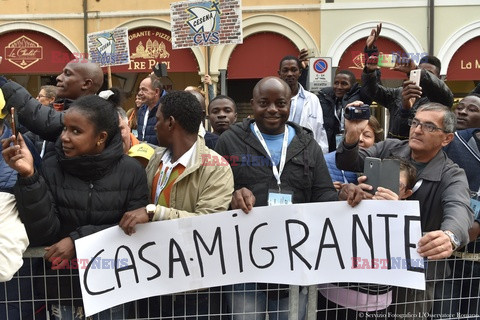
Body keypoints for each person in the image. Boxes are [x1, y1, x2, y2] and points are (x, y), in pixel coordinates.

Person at [215, 76, 363, 320]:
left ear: (289, 105)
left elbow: (321, 193)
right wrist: (232, 196)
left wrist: (340, 195)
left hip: (294, 259)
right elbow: (215, 195)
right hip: (244, 262)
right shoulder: (229, 141)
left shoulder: (308, 144)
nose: (273, 109)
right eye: (264, 103)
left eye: (280, 103)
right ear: (253, 104)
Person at [1, 92, 149, 319]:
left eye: (76, 131)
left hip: (112, 288)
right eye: (64, 129)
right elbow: (43, 234)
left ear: (101, 137)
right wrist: (29, 176)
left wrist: (77, 241)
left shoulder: (131, 172)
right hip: (61, 290)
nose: (64, 138)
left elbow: (133, 229)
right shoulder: (50, 167)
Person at [336, 101, 474, 319]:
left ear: (447, 138)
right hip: (372, 264)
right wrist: (352, 135)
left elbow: (459, 208)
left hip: (417, 272)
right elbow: (348, 161)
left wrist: (449, 236)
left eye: (429, 126)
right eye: (416, 122)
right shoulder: (388, 148)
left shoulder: (452, 174)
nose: (417, 130)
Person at [119, 90, 234, 319]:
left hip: (194, 288)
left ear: (171, 123)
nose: (154, 126)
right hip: (151, 280)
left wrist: (154, 213)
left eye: (158, 120)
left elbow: (208, 223)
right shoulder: (153, 158)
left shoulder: (216, 167)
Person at [318, 159, 416, 319]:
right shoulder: (351, 203)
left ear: (406, 194)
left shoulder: (407, 221)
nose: (383, 189)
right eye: (380, 181)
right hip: (329, 300)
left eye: (396, 185)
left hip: (375, 306)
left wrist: (396, 213)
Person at [361, 23, 454, 140]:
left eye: (428, 73)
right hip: (393, 151)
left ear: (438, 77)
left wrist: (417, 70)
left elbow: (446, 96)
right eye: (419, 70)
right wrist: (371, 57)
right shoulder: (398, 93)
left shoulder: (440, 101)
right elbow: (372, 90)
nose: (420, 74)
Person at [435, 93, 480, 317]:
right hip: (448, 251)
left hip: (477, 254)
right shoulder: (452, 142)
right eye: (460, 107)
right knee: (444, 311)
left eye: (472, 109)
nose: (462, 111)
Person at [0, 59, 104, 142]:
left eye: (67, 74)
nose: (58, 77)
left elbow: (48, 122)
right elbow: (30, 137)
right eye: (62, 73)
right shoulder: (59, 108)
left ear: (86, 84)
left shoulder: (95, 112)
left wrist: (4, 83)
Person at [278, 55, 329, 153]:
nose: (289, 74)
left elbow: (320, 132)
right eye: (285, 70)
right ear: (279, 73)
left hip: (306, 157)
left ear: (300, 72)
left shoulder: (312, 99)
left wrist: (321, 158)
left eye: (294, 70)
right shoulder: (273, 99)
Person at [318, 70, 372, 152]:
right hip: (329, 147)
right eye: (336, 83)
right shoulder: (324, 97)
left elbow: (371, 89)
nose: (339, 87)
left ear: (352, 86)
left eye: (344, 84)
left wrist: (371, 71)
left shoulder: (360, 97)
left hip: (352, 146)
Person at [324, 115, 383, 190]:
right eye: (356, 133)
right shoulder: (326, 162)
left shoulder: (383, 165)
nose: (360, 139)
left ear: (376, 141)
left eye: (367, 135)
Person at [137, 74, 166, 145]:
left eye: (144, 89)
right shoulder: (141, 110)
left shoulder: (165, 110)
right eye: (140, 89)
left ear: (156, 92)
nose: (139, 93)